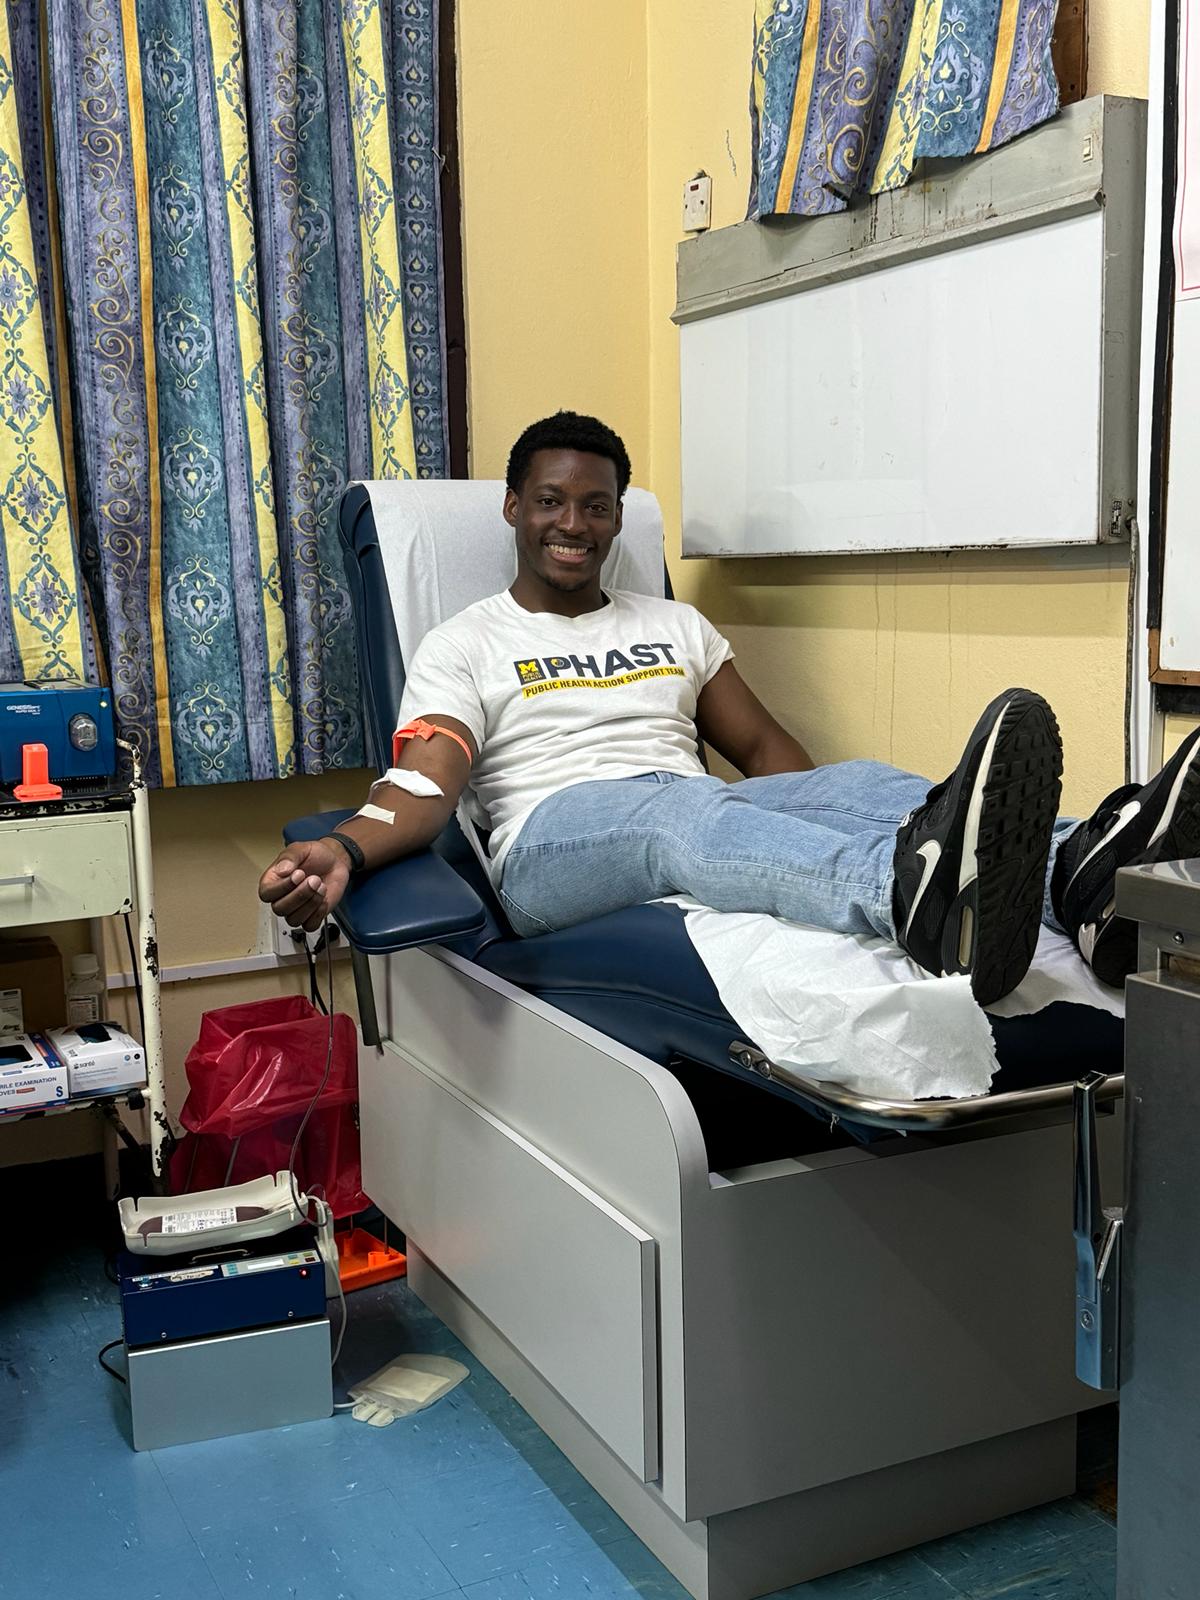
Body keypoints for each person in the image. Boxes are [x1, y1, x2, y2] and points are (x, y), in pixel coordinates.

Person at [259, 412, 1200, 1005]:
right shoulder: (464, 641)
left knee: (862, 780)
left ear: (619, 517)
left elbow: (761, 748)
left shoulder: (676, 624)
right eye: (551, 502)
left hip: (688, 805)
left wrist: (833, 798)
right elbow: (426, 783)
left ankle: (1093, 876)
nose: (574, 525)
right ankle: (901, 896)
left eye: (596, 506)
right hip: (554, 845)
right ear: (513, 508)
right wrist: (345, 847)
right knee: (680, 813)